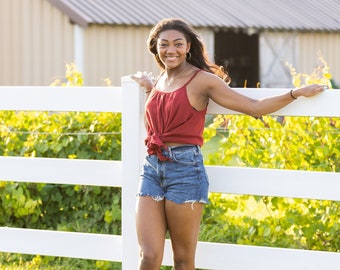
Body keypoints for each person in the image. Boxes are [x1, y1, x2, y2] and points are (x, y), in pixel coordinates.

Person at [131, 18, 325, 270]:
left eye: (178, 44)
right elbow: (156, 130)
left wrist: (294, 93)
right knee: (148, 255)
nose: (171, 50)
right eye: (164, 44)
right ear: (155, 47)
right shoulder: (158, 82)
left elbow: (254, 107)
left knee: (182, 259)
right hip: (152, 168)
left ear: (188, 46)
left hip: (185, 170)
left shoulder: (202, 80)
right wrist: (148, 90)